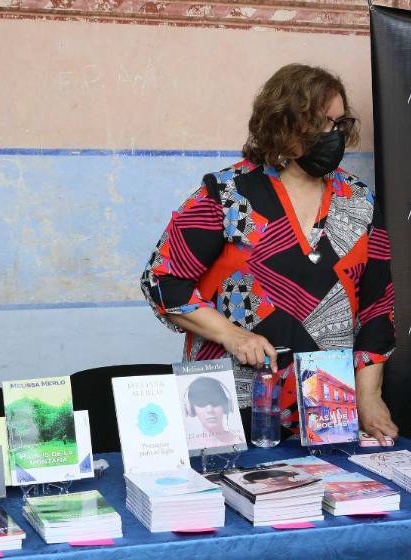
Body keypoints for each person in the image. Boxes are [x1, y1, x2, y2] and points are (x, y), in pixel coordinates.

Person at [141, 63, 397, 445]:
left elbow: (378, 306)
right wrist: (231, 335)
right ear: (283, 125)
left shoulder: (358, 202)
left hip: (326, 409)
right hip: (226, 404)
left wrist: (369, 396)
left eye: (339, 125)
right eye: (320, 124)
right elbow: (162, 280)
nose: (333, 136)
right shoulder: (227, 195)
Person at [184, 376, 245, 448]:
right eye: (201, 403)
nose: (210, 410)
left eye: (216, 402)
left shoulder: (240, 441)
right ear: (190, 409)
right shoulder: (188, 446)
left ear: (226, 405)